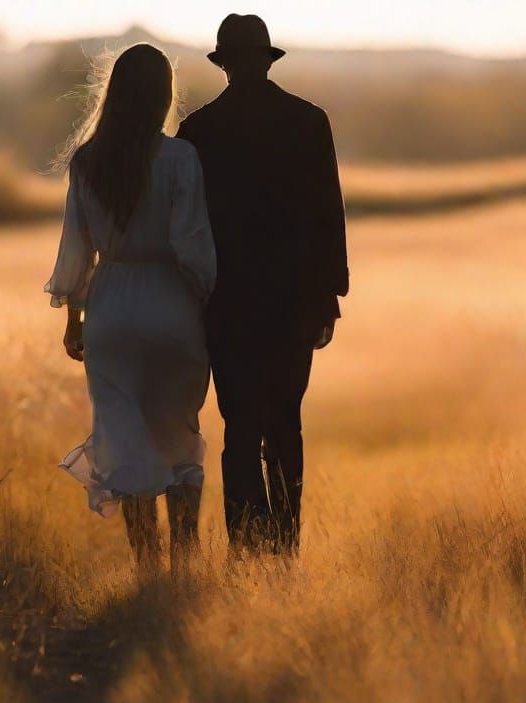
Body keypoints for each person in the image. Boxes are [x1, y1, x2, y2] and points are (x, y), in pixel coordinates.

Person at [177, 14, 349, 555]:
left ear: (223, 63)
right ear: (265, 59)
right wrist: (329, 297)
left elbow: (188, 226)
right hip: (294, 302)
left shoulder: (197, 132)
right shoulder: (308, 120)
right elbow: (329, 214)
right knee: (285, 421)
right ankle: (286, 545)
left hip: (225, 303)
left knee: (240, 425)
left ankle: (246, 548)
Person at [45, 44, 216, 575]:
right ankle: (184, 564)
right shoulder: (179, 158)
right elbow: (192, 243)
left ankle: (148, 568)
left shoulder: (88, 161)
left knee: (126, 439)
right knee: (177, 433)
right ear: (163, 93)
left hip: (111, 308)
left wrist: (75, 316)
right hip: (172, 304)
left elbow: (76, 246)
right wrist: (207, 302)